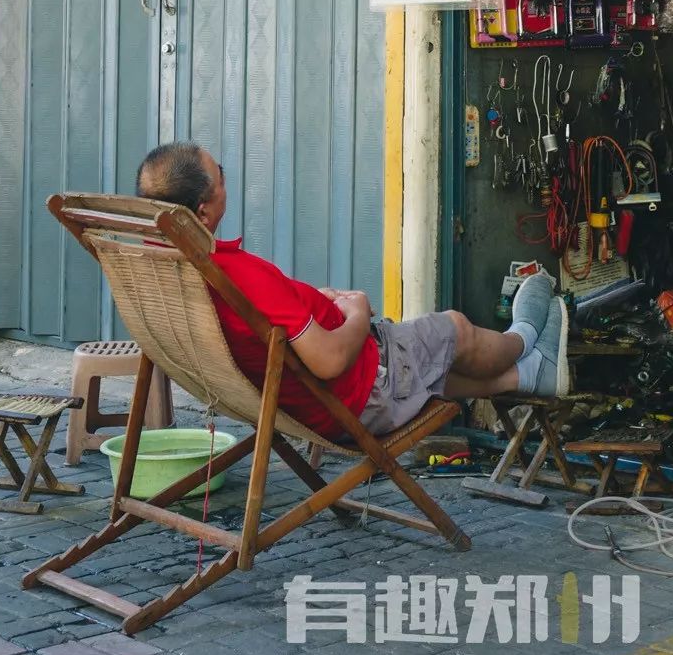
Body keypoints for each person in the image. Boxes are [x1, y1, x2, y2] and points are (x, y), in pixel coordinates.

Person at [136, 143, 569, 440]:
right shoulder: (239, 276)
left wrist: (315, 303)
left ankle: (531, 376)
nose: (226, 182)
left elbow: (274, 322)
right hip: (357, 393)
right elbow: (329, 361)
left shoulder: (161, 270)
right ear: (204, 210)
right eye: (221, 177)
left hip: (304, 400)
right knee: (454, 329)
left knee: (430, 367)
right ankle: (524, 340)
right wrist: (357, 313)